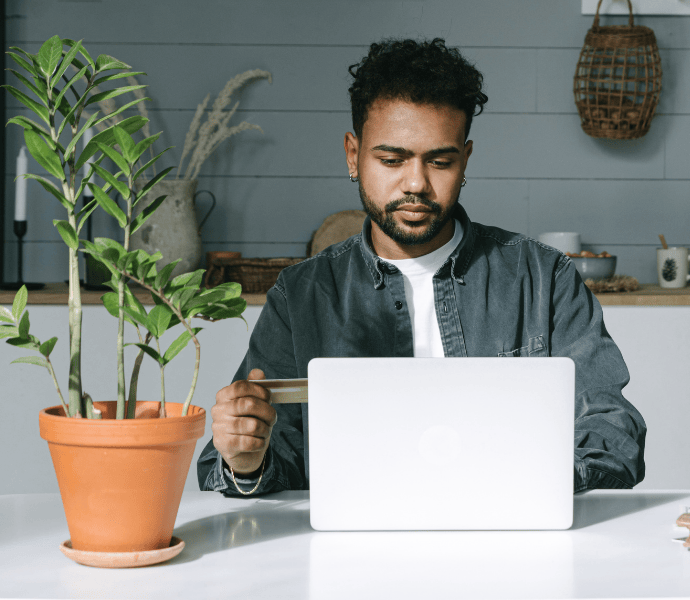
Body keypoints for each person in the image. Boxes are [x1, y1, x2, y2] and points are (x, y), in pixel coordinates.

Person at [197, 38, 646, 496]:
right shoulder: (303, 294)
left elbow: (612, 428)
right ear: (353, 156)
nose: (416, 183)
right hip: (354, 550)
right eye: (391, 160)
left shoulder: (542, 277)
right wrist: (247, 459)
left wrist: (531, 484)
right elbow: (255, 458)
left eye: (440, 161)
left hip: (511, 540)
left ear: (465, 160)